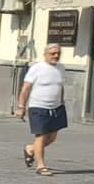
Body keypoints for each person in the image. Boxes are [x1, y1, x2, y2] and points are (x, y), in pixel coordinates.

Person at [18, 44, 68, 177]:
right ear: (45, 55)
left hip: (56, 107)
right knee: (41, 136)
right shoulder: (37, 68)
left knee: (52, 138)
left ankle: (30, 149)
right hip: (38, 107)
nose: (56, 56)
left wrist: (62, 101)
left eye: (58, 53)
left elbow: (60, 87)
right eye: (52, 53)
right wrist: (21, 107)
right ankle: (41, 166)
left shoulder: (61, 68)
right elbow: (26, 88)